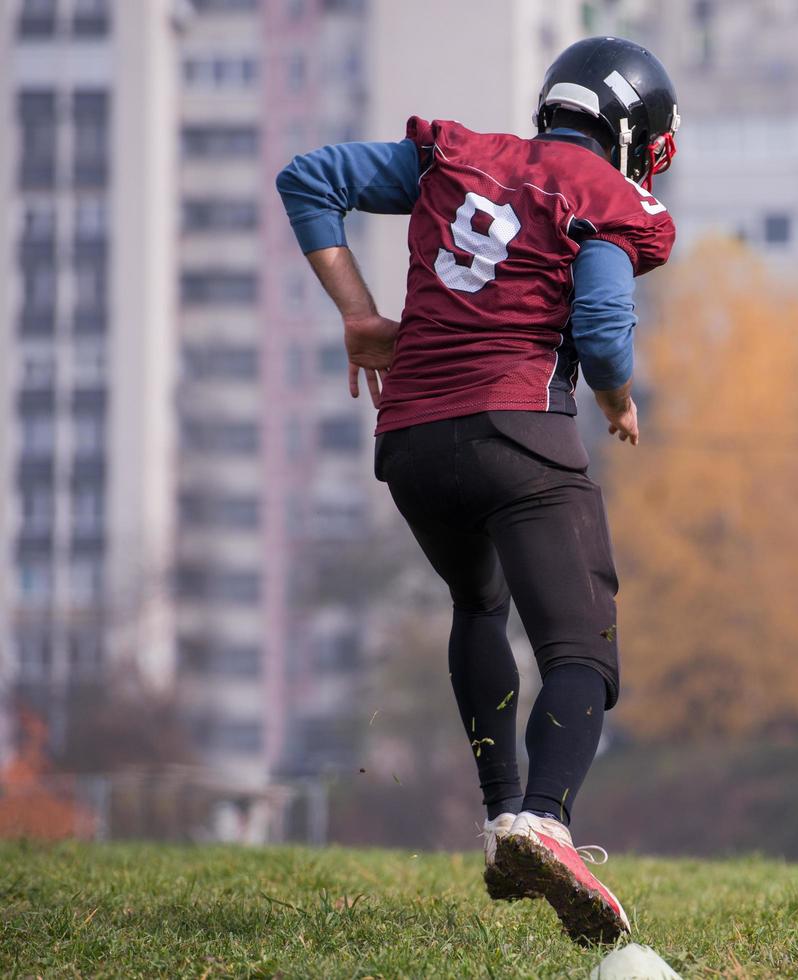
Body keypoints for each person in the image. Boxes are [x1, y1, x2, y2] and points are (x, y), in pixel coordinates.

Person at [275, 36, 679, 945]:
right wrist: (615, 398)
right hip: (515, 432)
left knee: (477, 602)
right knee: (582, 642)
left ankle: (502, 816)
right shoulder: (604, 196)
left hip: (410, 438)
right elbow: (605, 322)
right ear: (627, 131)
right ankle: (543, 818)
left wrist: (357, 314)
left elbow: (310, 179)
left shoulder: (457, 159)